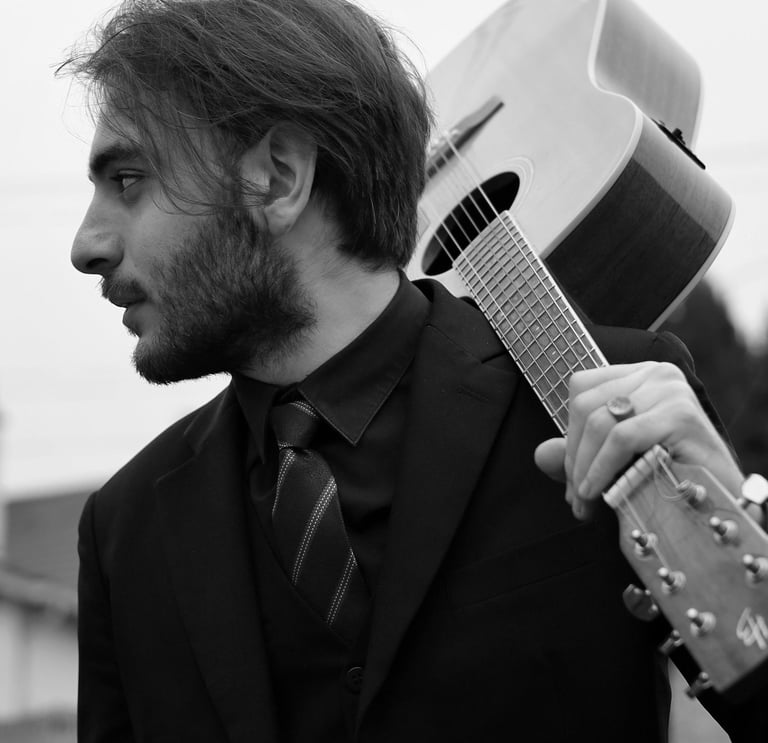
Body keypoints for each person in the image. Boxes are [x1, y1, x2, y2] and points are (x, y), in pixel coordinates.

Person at [61, 0, 767, 740]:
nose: (86, 244)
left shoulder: (605, 400)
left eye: (129, 177)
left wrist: (746, 536)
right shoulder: (124, 530)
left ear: (276, 179)